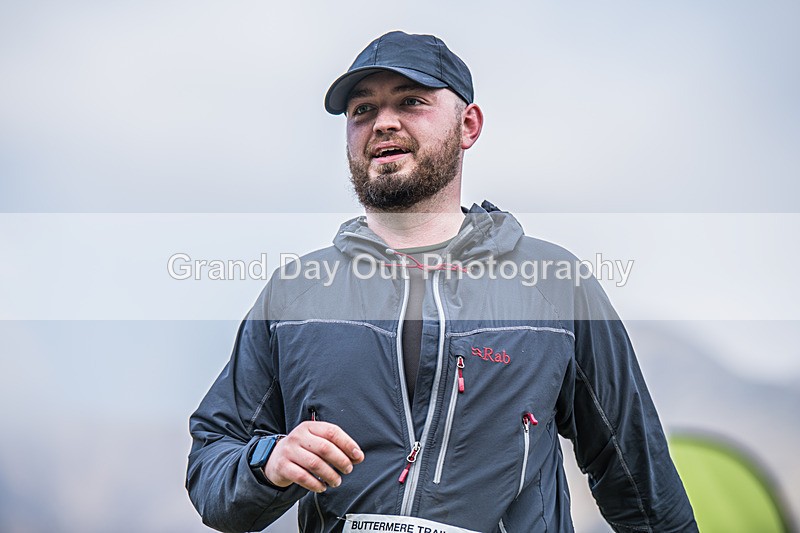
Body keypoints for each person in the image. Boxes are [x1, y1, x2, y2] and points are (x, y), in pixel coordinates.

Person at [186, 31, 697, 533]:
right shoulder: (295, 293)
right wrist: (266, 463)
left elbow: (639, 480)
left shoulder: (555, 287)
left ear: (468, 125)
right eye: (362, 110)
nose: (383, 122)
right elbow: (211, 465)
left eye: (411, 101)